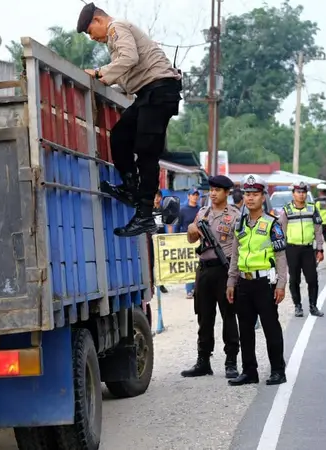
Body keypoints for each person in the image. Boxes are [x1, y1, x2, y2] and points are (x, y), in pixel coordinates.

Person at [77, 3, 183, 237]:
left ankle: (144, 214)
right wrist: (105, 77)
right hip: (148, 94)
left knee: (147, 152)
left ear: (97, 20)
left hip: (159, 91)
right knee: (120, 137)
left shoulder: (117, 28)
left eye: (89, 31)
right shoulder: (114, 41)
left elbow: (129, 58)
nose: (91, 37)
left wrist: (98, 73)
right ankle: (130, 188)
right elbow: (126, 72)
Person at [226, 174, 288, 386]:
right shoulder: (239, 223)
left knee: (271, 328)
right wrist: (231, 282)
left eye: (255, 194)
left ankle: (278, 370)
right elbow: (235, 254)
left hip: (265, 284)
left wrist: (281, 284)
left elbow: (280, 257)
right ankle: (249, 371)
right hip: (244, 283)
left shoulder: (273, 223)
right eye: (247, 194)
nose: (250, 198)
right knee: (245, 329)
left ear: (263, 197)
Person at [181, 176, 241, 379]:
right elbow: (192, 239)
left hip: (225, 270)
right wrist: (191, 230)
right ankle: (203, 361)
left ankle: (231, 361)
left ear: (227, 193)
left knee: (228, 316)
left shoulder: (235, 215)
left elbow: (239, 248)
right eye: (211, 190)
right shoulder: (202, 213)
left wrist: (233, 277)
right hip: (204, 270)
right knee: (204, 317)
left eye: (217, 190)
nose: (213, 193)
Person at [279, 181, 324, 318]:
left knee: (312, 279)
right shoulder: (287, 210)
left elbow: (318, 230)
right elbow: (282, 231)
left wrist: (320, 249)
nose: (301, 195)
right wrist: (281, 253)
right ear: (293, 194)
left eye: (304, 192)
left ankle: (313, 306)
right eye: (298, 192)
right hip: (292, 249)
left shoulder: (312, 208)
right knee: (294, 279)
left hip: (308, 250)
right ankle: (298, 306)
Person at [176, 188, 201, 299]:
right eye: (193, 195)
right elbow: (177, 226)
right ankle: (189, 289)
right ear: (188, 196)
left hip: (199, 241)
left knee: (197, 265)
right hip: (186, 241)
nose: (195, 197)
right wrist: (175, 240)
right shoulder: (182, 210)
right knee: (188, 264)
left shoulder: (201, 210)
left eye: (196, 195)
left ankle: (197, 288)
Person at [314, 183, 326, 251]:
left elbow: (314, 213)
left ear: (319, 192)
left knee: (317, 242)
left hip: (319, 225)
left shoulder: (316, 201)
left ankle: (316, 258)